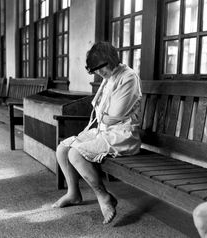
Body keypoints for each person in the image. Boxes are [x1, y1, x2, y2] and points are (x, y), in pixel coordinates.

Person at [52, 41, 142, 224]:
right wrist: (107, 117)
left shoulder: (128, 77)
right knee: (62, 149)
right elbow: (105, 116)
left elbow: (114, 116)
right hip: (105, 130)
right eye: (96, 70)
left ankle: (104, 196)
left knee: (75, 154)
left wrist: (108, 117)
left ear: (112, 60)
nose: (100, 73)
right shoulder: (109, 78)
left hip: (122, 135)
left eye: (102, 68)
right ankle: (73, 194)